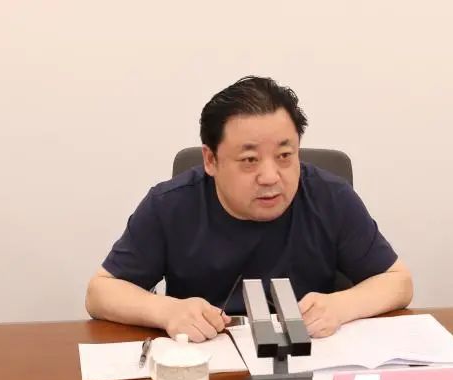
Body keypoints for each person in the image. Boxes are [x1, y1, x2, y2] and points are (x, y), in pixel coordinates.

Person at [86, 76, 413, 342]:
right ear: (210, 160)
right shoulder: (170, 205)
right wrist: (166, 311)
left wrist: (341, 306)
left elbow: (398, 281)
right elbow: (100, 292)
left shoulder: (331, 197)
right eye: (249, 160)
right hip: (205, 366)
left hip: (310, 364)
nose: (270, 177)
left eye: (285, 156)